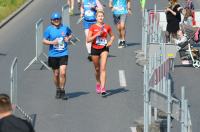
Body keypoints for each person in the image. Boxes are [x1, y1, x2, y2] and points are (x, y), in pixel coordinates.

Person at [43, 11, 73, 100]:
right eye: (54, 19)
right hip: (53, 55)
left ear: (60, 19)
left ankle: (63, 90)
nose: (56, 20)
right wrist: (52, 42)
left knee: (63, 72)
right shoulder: (49, 29)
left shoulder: (65, 28)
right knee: (56, 74)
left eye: (58, 19)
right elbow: (44, 40)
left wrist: (68, 38)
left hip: (63, 53)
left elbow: (70, 34)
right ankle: (58, 89)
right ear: (52, 20)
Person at [87, 9, 115, 95]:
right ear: (96, 17)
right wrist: (96, 34)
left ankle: (103, 88)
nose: (101, 17)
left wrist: (110, 42)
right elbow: (88, 40)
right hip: (94, 48)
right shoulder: (93, 27)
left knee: (103, 68)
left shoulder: (107, 27)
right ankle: (98, 83)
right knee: (97, 69)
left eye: (102, 16)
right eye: (99, 16)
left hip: (104, 48)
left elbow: (113, 36)